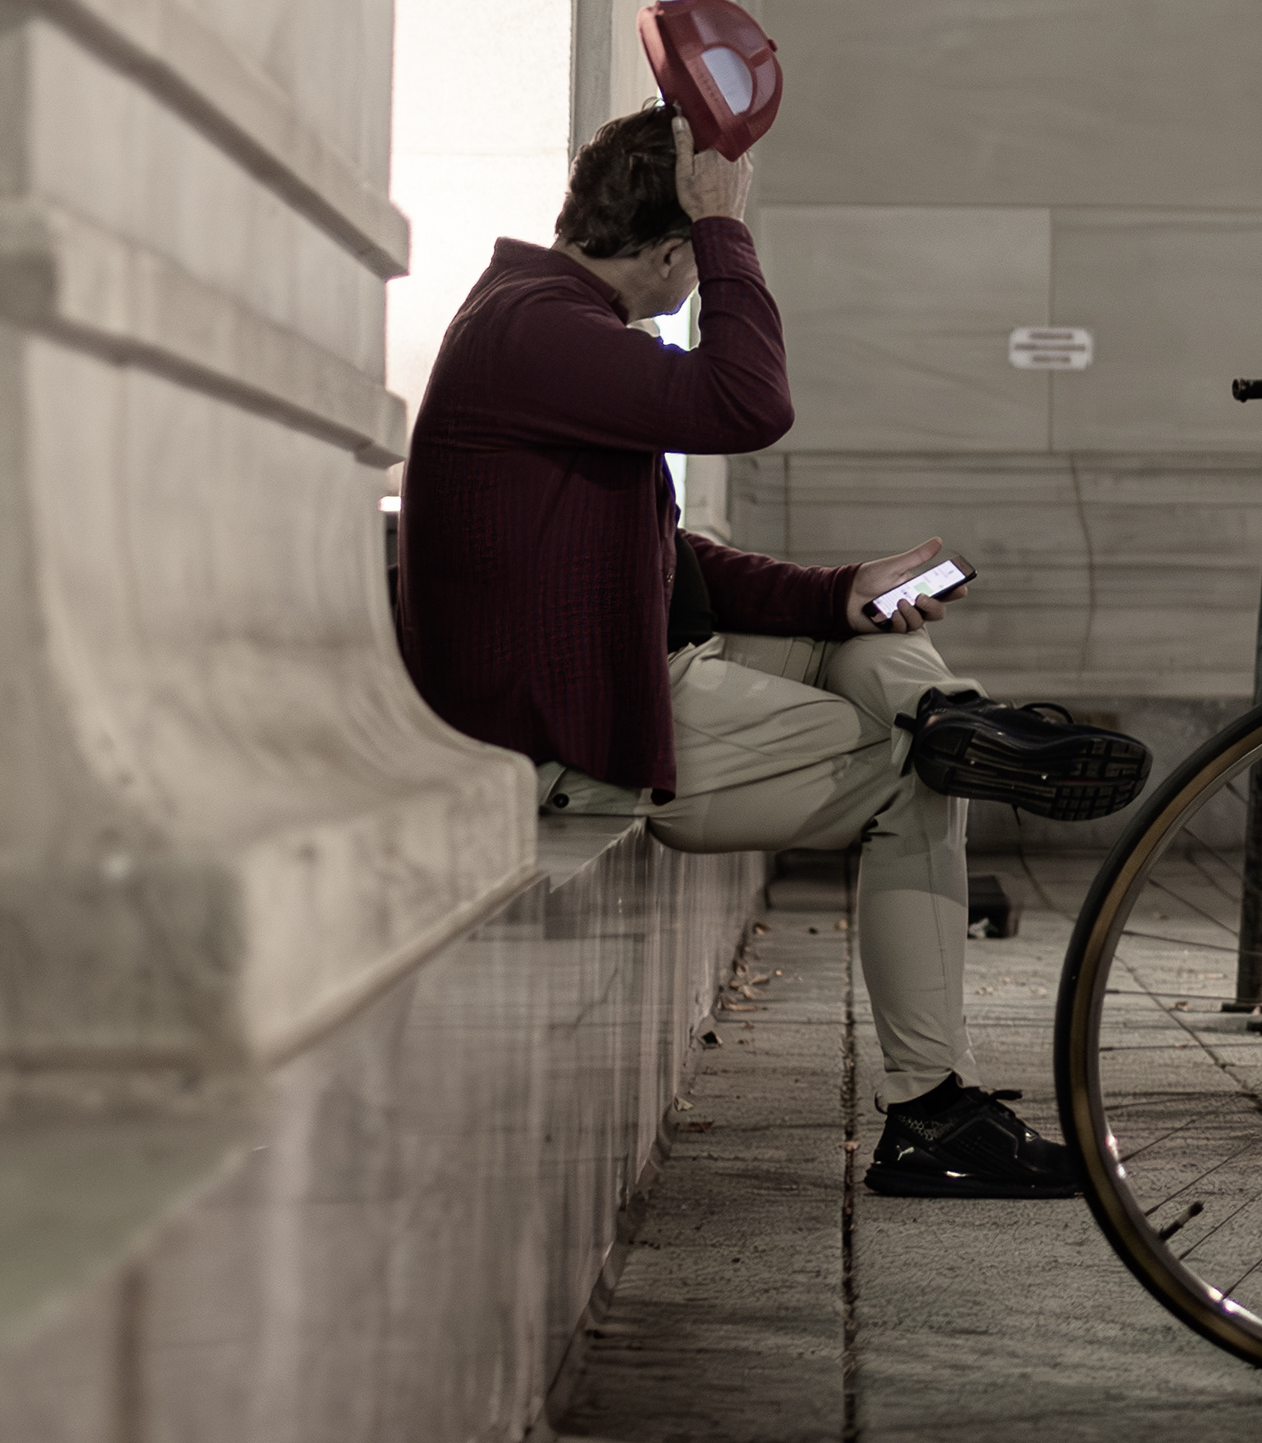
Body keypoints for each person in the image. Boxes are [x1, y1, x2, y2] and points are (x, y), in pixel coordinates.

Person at [396, 101, 1146, 1198]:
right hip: (588, 731)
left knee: (876, 659)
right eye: (694, 264)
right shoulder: (539, 329)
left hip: (628, 676)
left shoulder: (537, 318)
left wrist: (839, 592)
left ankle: (961, 722)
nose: (697, 290)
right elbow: (751, 400)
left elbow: (672, 552)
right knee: (914, 784)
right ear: (667, 250)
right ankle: (932, 1113)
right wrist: (727, 233)